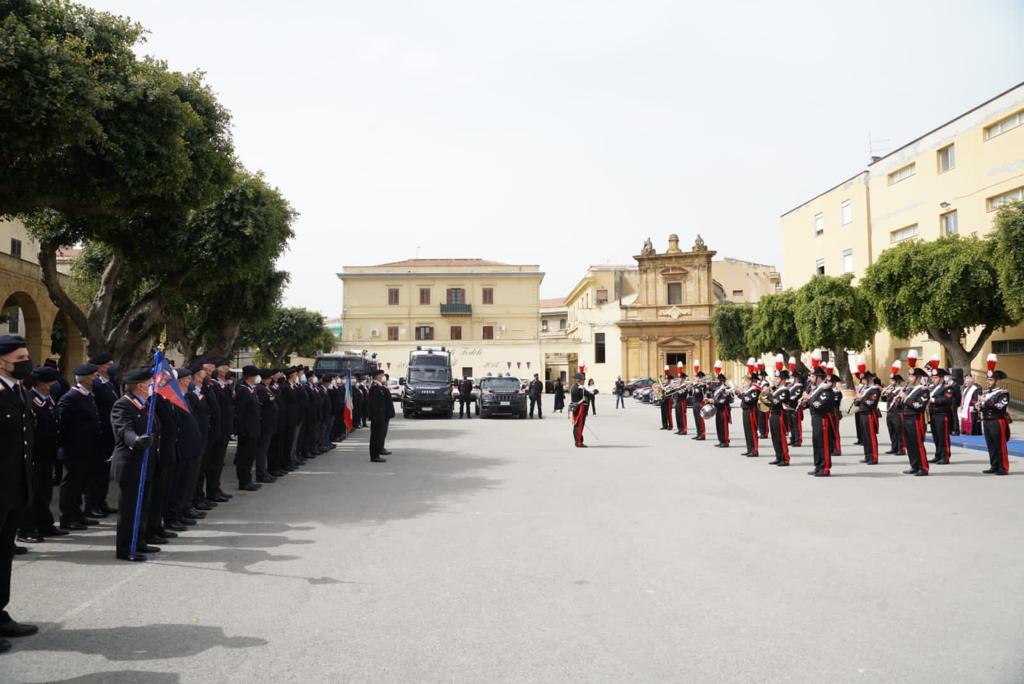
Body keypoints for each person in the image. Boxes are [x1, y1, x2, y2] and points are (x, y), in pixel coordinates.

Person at [0, 336, 39, 651]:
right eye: (21, 357)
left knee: (2, 557)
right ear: (2, 361)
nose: (27, 361)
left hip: (13, 489)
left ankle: (0, 615)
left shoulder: (17, 392)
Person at [110, 367, 161, 561]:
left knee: (143, 506)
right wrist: (137, 440)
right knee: (129, 509)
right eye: (149, 384)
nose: (151, 387)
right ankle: (125, 549)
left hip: (146, 463)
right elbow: (124, 429)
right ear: (139, 386)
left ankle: (139, 541)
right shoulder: (123, 405)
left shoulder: (146, 404)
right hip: (131, 463)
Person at [16, 366, 65, 544]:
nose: (55, 384)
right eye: (52, 381)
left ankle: (44, 524)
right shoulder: (32, 400)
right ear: (42, 384)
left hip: (47, 455)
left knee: (45, 493)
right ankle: (26, 529)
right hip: (35, 456)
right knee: (31, 495)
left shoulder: (48, 399)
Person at [56, 363, 102, 530]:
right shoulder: (70, 397)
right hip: (74, 449)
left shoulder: (87, 395)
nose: (96, 378)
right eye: (93, 376)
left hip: (88, 449)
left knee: (81, 483)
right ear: (85, 379)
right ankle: (67, 517)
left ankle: (77, 514)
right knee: (71, 484)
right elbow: (62, 425)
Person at [87, 352, 118, 519]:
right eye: (108, 365)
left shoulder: (110, 384)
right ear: (99, 368)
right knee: (96, 472)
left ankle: (101, 501)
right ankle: (92, 504)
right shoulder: (96, 385)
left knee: (104, 472)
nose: (112, 368)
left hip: (109, 434)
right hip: (100, 434)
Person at [234, 365, 262, 491]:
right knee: (244, 456)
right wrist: (242, 430)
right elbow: (240, 412)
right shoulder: (243, 390)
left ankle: (248, 479)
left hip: (254, 427)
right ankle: (244, 481)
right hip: (247, 429)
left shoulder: (252, 389)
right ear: (250, 376)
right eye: (255, 375)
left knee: (250, 455)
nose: (257, 377)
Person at [979, 365, 1010, 475]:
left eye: (991, 379)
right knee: (990, 445)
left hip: (997, 421)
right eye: (987, 379)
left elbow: (999, 406)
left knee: (999, 445)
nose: (988, 381)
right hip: (987, 421)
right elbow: (984, 407)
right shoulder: (986, 393)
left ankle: (1003, 467)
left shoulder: (1003, 393)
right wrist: (979, 406)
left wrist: (985, 402)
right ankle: (994, 465)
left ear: (997, 381)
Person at [804, 366, 835, 477]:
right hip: (816, 419)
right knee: (816, 444)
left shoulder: (826, 390)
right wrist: (805, 402)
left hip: (823, 419)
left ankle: (825, 468)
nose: (810, 378)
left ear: (819, 378)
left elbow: (818, 405)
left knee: (823, 445)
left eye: (812, 376)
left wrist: (809, 399)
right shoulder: (817, 390)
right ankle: (818, 466)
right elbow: (812, 404)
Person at [900, 367, 931, 476]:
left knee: (918, 444)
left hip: (915, 419)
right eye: (909, 375)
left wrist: (906, 399)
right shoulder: (910, 389)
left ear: (918, 377)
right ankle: (914, 465)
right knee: (910, 444)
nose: (909, 378)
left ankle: (923, 467)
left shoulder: (924, 390)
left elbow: (919, 406)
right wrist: (900, 398)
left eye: (912, 376)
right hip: (906, 418)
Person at [255, 369, 280, 484]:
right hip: (265, 424)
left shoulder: (267, 388)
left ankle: (264, 472)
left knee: (265, 449)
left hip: (270, 424)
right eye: (269, 378)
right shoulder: (260, 389)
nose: (271, 380)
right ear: (266, 378)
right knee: (262, 450)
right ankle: (261, 473)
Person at [928, 368, 955, 464]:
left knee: (943, 437)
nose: (933, 379)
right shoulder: (932, 387)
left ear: (941, 378)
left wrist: (933, 400)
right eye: (932, 377)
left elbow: (947, 400)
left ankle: (945, 456)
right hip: (933, 414)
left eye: (935, 378)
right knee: (936, 437)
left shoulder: (947, 387)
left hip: (942, 415)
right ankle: (938, 454)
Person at [856, 373, 882, 464]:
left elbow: (871, 403)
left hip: (869, 414)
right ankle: (868, 456)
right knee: (865, 436)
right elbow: (861, 401)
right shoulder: (865, 389)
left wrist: (861, 398)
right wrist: (857, 400)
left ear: (869, 379)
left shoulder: (875, 390)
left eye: (864, 379)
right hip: (862, 413)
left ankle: (874, 457)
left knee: (871, 436)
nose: (862, 381)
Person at [767, 370, 790, 466]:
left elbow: (776, 402)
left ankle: (785, 458)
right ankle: (778, 456)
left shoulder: (785, 390)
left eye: (778, 378)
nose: (775, 380)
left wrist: (769, 395)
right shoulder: (776, 390)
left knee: (781, 437)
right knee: (775, 437)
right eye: (775, 378)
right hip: (773, 414)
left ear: (783, 380)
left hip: (780, 415)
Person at [367, 369, 391, 462]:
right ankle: (374, 456)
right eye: (382, 375)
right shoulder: (375, 387)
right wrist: (376, 417)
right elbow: (374, 404)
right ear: (377, 376)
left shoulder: (379, 387)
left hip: (380, 416)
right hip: (377, 417)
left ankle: (376, 454)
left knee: (378, 436)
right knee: (375, 436)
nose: (383, 377)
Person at [739, 374, 761, 457]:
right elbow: (744, 398)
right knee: (747, 431)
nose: (746, 381)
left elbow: (749, 400)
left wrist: (742, 393)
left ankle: (754, 450)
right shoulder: (749, 389)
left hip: (751, 411)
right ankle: (749, 449)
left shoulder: (756, 388)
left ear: (752, 380)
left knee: (752, 431)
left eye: (748, 380)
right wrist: (739, 393)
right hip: (745, 410)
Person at [569, 372, 592, 448]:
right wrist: (594, 392)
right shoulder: (581, 388)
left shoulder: (573, 387)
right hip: (580, 409)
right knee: (580, 426)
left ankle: (577, 441)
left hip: (574, 408)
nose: (584, 381)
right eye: (583, 380)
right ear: (579, 380)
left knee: (576, 425)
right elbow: (590, 395)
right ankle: (579, 442)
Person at [690, 371, 707, 441]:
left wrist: (695, 385)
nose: (697, 379)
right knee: (696, 419)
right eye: (697, 377)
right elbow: (691, 393)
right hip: (694, 403)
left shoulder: (703, 385)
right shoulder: (696, 385)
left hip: (700, 403)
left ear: (702, 378)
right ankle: (698, 433)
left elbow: (698, 392)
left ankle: (702, 434)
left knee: (700, 419)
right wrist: (691, 386)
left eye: (699, 377)